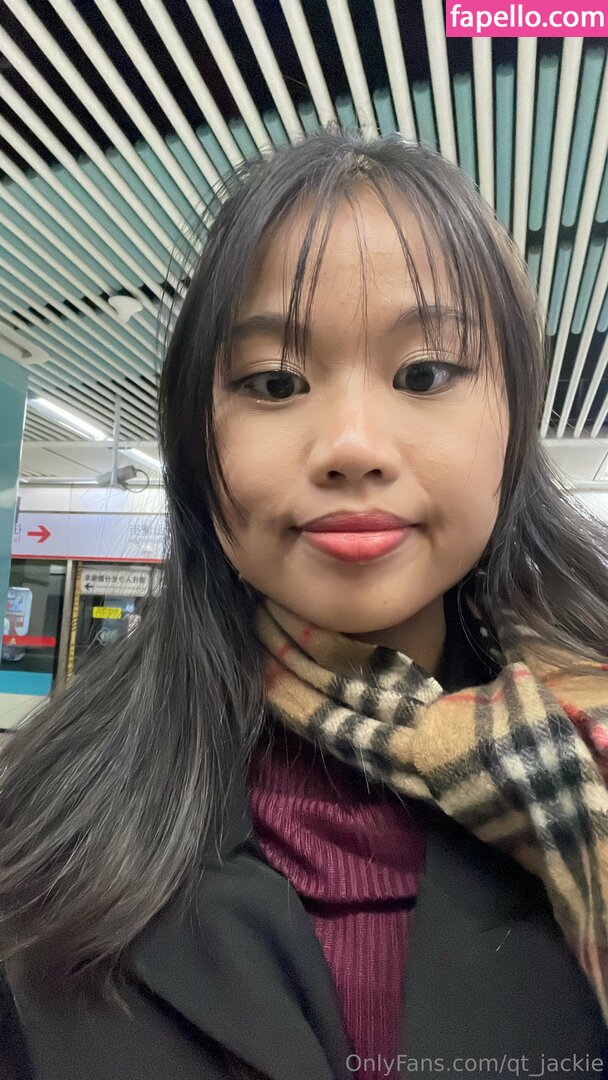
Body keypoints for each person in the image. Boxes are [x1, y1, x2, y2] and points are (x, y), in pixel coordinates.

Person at [0, 129, 607, 1080]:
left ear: (514, 420)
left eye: (425, 374)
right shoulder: (43, 825)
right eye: (275, 383)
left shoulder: (588, 763)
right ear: (197, 439)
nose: (352, 445)